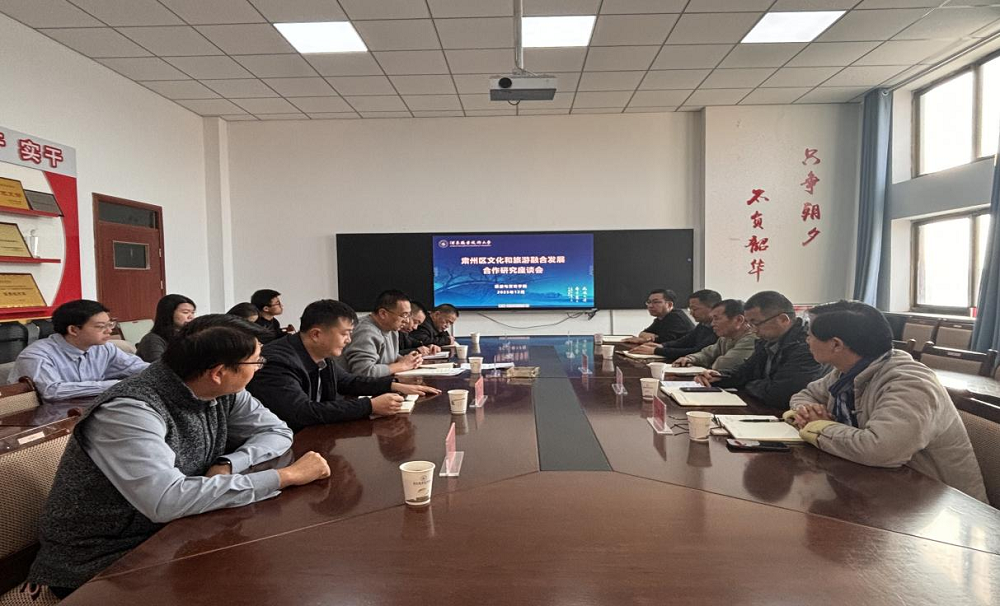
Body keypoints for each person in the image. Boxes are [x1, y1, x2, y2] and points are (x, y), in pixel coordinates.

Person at [25, 315, 331, 597]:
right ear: (218, 372)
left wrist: (228, 463)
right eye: (256, 361)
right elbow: (166, 501)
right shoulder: (129, 410)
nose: (260, 367)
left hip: (176, 535)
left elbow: (277, 431)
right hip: (102, 563)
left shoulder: (222, 390)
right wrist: (284, 476)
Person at [785, 300, 987, 502]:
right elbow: (805, 395)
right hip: (881, 489)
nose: (807, 340)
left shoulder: (910, 383)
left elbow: (880, 450)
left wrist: (818, 427)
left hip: (943, 507)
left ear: (836, 344)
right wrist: (807, 412)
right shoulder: (847, 370)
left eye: (811, 335)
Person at [247, 299, 440, 432]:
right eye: (345, 334)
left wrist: (393, 385)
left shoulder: (320, 353)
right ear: (316, 334)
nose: (348, 340)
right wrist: (369, 406)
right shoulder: (278, 362)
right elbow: (301, 412)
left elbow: (347, 381)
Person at [695, 291, 825, 410]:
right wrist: (719, 377)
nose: (753, 329)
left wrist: (748, 384)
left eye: (756, 323)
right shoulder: (766, 340)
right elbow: (745, 372)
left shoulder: (806, 347)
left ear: (783, 320)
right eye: (750, 324)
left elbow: (779, 394)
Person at [10, 299, 149, 402]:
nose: (109, 331)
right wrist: (116, 385)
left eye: (110, 324)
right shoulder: (37, 355)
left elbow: (136, 367)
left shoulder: (104, 348)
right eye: (101, 326)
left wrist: (159, 372)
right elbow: (52, 391)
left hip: (84, 411)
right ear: (73, 330)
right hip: (41, 422)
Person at [339, 290, 422, 378]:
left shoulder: (392, 329)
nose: (407, 321)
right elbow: (364, 372)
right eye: (404, 315)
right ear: (383, 313)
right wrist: (402, 365)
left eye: (408, 315)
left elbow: (385, 356)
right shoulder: (365, 332)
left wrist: (408, 360)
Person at [629, 289, 720, 359]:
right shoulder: (703, 324)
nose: (691, 313)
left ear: (713, 308)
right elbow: (684, 341)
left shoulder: (719, 328)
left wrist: (657, 350)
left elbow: (697, 351)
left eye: (695, 309)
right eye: (690, 309)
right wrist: (662, 346)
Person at [673, 299, 756, 372]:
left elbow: (723, 366)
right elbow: (706, 354)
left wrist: (707, 362)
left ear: (739, 320)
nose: (712, 324)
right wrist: (690, 359)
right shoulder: (725, 338)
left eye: (716, 318)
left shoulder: (752, 339)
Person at [136, 294, 196, 362]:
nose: (191, 317)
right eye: (185, 312)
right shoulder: (152, 340)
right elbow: (159, 366)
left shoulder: (190, 335)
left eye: (193, 312)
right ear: (169, 313)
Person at [623, 289, 694, 345]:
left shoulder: (676, 317)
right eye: (649, 302)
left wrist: (644, 340)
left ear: (669, 304)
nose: (650, 306)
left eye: (656, 302)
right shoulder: (661, 318)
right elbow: (643, 333)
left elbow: (666, 341)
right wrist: (650, 337)